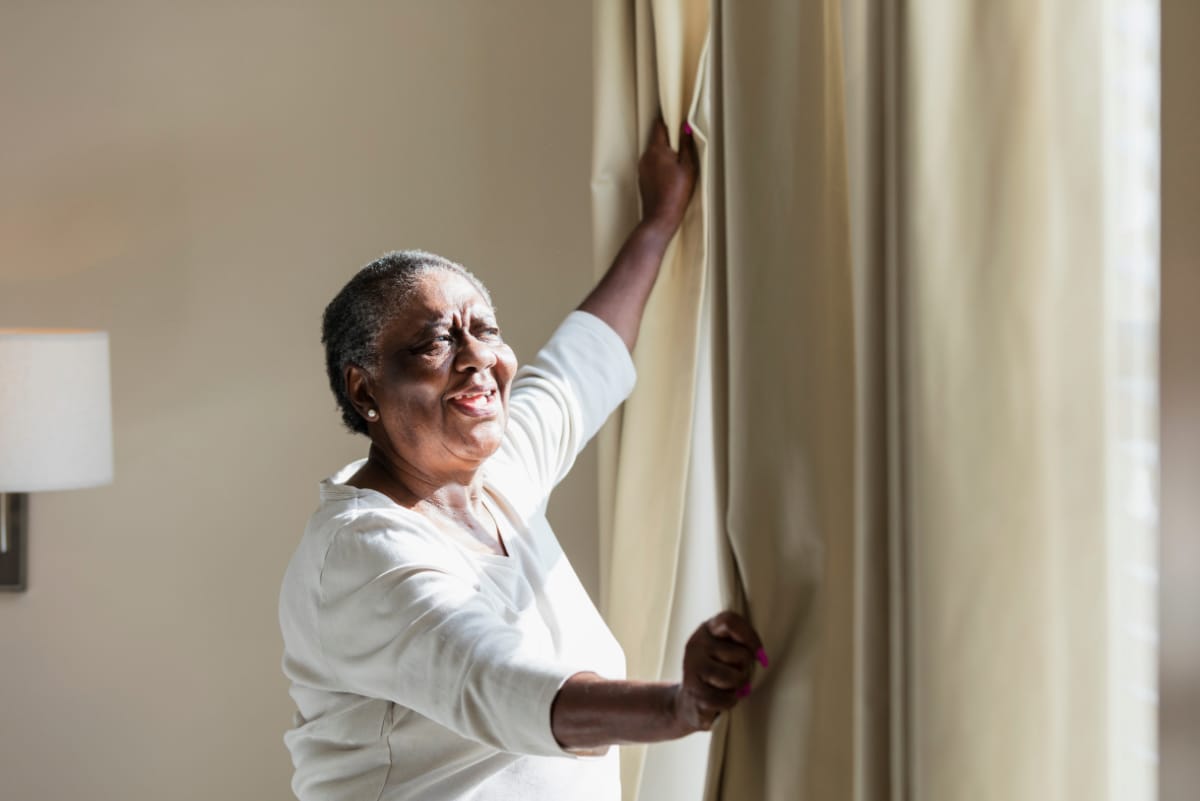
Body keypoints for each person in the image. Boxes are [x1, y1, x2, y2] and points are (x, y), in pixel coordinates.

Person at [278, 118, 766, 801]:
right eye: (435, 342)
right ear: (365, 390)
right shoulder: (360, 554)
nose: (477, 356)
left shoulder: (493, 478)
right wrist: (677, 706)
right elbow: (496, 680)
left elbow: (579, 366)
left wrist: (659, 224)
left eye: (486, 329)